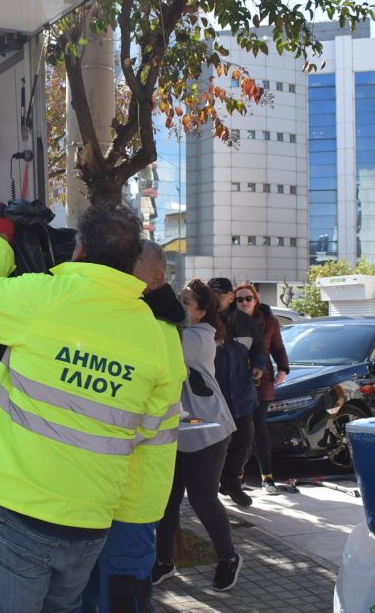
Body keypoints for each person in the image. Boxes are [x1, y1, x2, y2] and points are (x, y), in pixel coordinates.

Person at [0, 203, 183, 613]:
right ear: (132, 264)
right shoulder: (154, 334)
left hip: (27, 512)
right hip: (91, 522)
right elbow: (149, 432)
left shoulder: (45, 296)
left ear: (78, 249)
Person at [80, 240, 186, 612]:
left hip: (132, 500)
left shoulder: (159, 328)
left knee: (121, 597)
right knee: (92, 595)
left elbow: (144, 419)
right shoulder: (130, 318)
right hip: (103, 492)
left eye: (132, 265)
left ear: (156, 278)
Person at [152, 278, 243, 591]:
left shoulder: (198, 338)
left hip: (207, 430)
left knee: (203, 500)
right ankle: (164, 562)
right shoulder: (179, 331)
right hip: (178, 429)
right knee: (167, 501)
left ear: (203, 313)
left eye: (186, 302)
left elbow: (159, 349)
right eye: (178, 298)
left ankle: (228, 558)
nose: (179, 305)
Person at [207, 277, 265, 507]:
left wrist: (258, 365)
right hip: (211, 395)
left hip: (241, 392)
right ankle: (211, 487)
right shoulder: (201, 320)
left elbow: (259, 347)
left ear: (231, 297)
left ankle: (231, 481)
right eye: (212, 295)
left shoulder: (245, 322)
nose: (216, 300)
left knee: (244, 441)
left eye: (221, 295)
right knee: (213, 443)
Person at [233, 282, 289, 495]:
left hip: (262, 380)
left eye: (248, 298)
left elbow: (278, 347)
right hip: (236, 381)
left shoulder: (270, 322)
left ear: (256, 300)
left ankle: (267, 478)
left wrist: (283, 368)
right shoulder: (229, 321)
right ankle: (237, 477)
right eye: (240, 299)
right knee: (241, 430)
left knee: (258, 428)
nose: (244, 302)